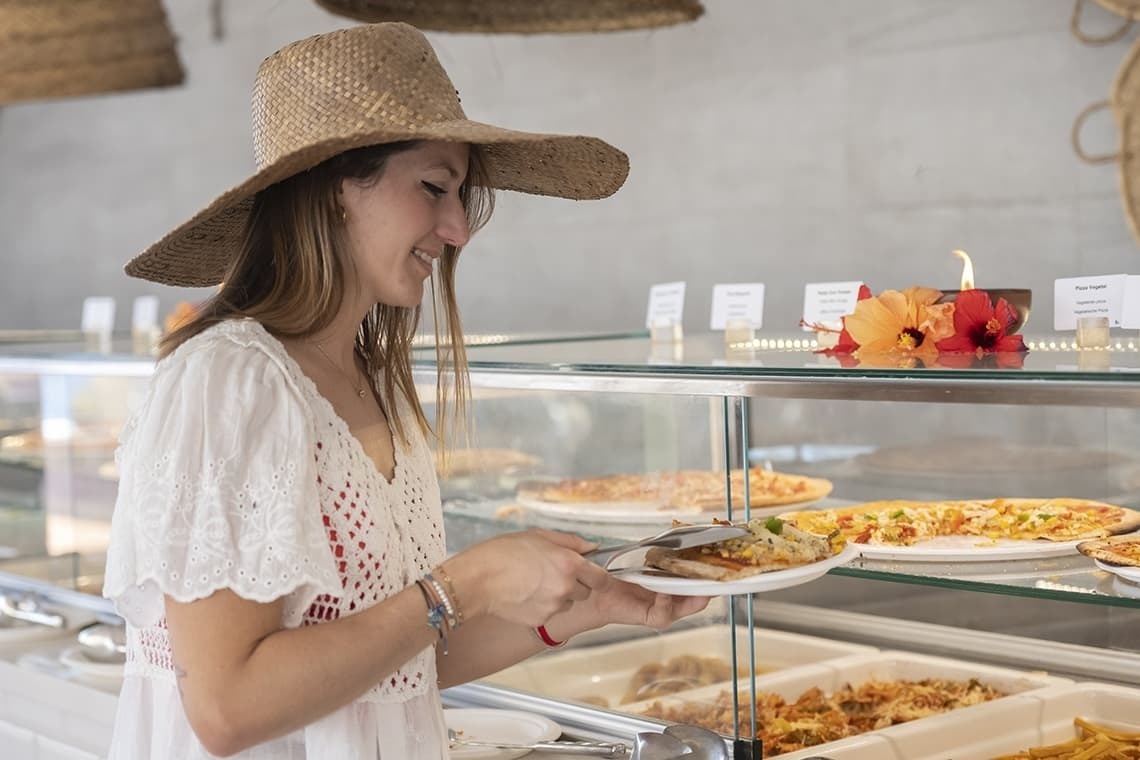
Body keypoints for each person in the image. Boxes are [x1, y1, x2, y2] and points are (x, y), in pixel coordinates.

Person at [103, 21, 709, 760]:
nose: (457, 230)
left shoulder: (369, 383)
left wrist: (579, 612)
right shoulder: (229, 380)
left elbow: (389, 668)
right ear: (332, 192)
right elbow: (229, 709)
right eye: (433, 188)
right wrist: (465, 582)